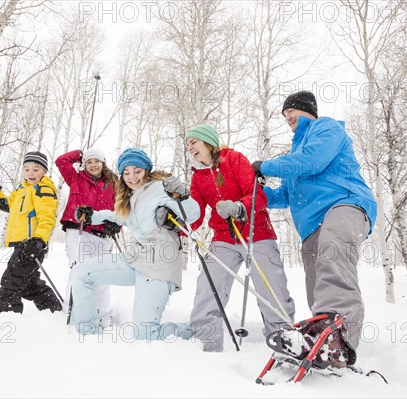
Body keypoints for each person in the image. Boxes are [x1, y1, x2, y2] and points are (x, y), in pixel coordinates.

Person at [252, 90, 377, 367]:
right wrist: (257, 192)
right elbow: (284, 196)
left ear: (307, 110)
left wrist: (266, 166)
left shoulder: (326, 128)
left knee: (333, 264)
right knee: (316, 284)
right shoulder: (294, 154)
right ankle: (320, 338)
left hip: (344, 204)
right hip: (311, 226)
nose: (287, 118)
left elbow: (313, 161)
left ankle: (340, 340)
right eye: (284, 116)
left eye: (291, 112)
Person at [183, 124, 295, 352]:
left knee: (271, 291)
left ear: (208, 141)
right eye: (187, 145)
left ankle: (285, 344)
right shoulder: (198, 175)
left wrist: (239, 207)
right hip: (223, 238)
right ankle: (204, 345)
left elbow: (257, 195)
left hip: (257, 233)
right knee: (208, 287)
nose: (190, 148)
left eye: (193, 142)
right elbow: (195, 215)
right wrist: (178, 215)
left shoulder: (234, 158)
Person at [68, 148, 200, 340]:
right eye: (126, 173)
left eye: (137, 171)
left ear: (146, 169)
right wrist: (92, 216)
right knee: (81, 272)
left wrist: (183, 196)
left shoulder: (161, 187)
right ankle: (86, 333)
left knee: (145, 333)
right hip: (135, 258)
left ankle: (196, 330)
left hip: (158, 265)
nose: (132, 177)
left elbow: (192, 214)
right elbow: (119, 217)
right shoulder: (131, 195)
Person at [0, 151, 62, 314]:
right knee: (30, 286)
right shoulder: (23, 188)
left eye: (36, 169)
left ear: (44, 171)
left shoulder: (43, 189)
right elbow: (7, 205)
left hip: (31, 245)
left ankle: (7, 319)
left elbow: (47, 218)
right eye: (27, 169)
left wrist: (38, 241)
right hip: (22, 245)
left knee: (10, 283)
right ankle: (54, 310)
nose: (31, 173)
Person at [55, 147, 119, 327]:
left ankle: (103, 315)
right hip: (78, 229)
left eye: (96, 161)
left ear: (103, 163)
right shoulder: (76, 178)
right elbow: (61, 161)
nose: (92, 165)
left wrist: (116, 224)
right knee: (79, 270)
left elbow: (121, 208)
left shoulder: (114, 183)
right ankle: (71, 310)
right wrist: (79, 153)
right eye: (89, 162)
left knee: (101, 273)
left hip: (101, 233)